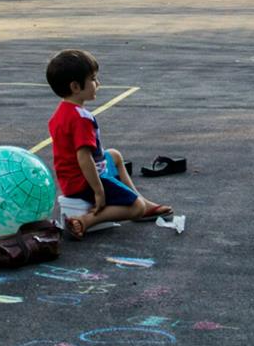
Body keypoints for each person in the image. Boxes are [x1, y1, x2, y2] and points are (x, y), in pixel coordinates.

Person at [46, 49, 173, 239]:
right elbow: (84, 158)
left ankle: (143, 202)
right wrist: (99, 191)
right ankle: (85, 221)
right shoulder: (81, 119)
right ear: (75, 86)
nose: (98, 83)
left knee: (114, 156)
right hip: (83, 181)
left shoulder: (61, 113)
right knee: (135, 208)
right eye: (93, 79)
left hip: (69, 177)